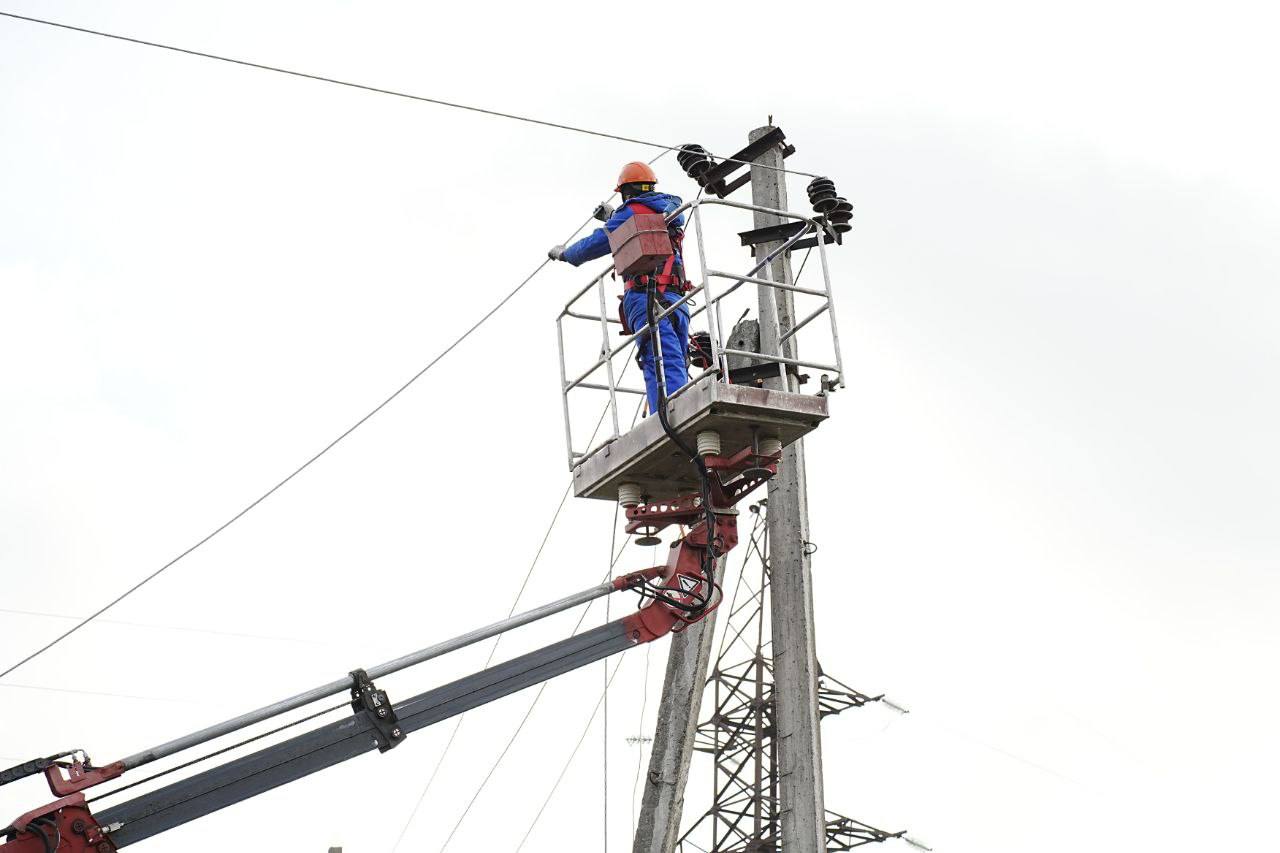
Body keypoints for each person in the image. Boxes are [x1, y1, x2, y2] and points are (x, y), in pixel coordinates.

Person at [548, 162, 688, 416]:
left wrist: (566, 254)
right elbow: (643, 223)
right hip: (677, 300)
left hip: (646, 299)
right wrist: (614, 216)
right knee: (677, 358)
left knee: (657, 360)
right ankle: (683, 407)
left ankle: (667, 417)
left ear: (626, 191)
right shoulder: (670, 211)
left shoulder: (630, 212)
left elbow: (595, 244)